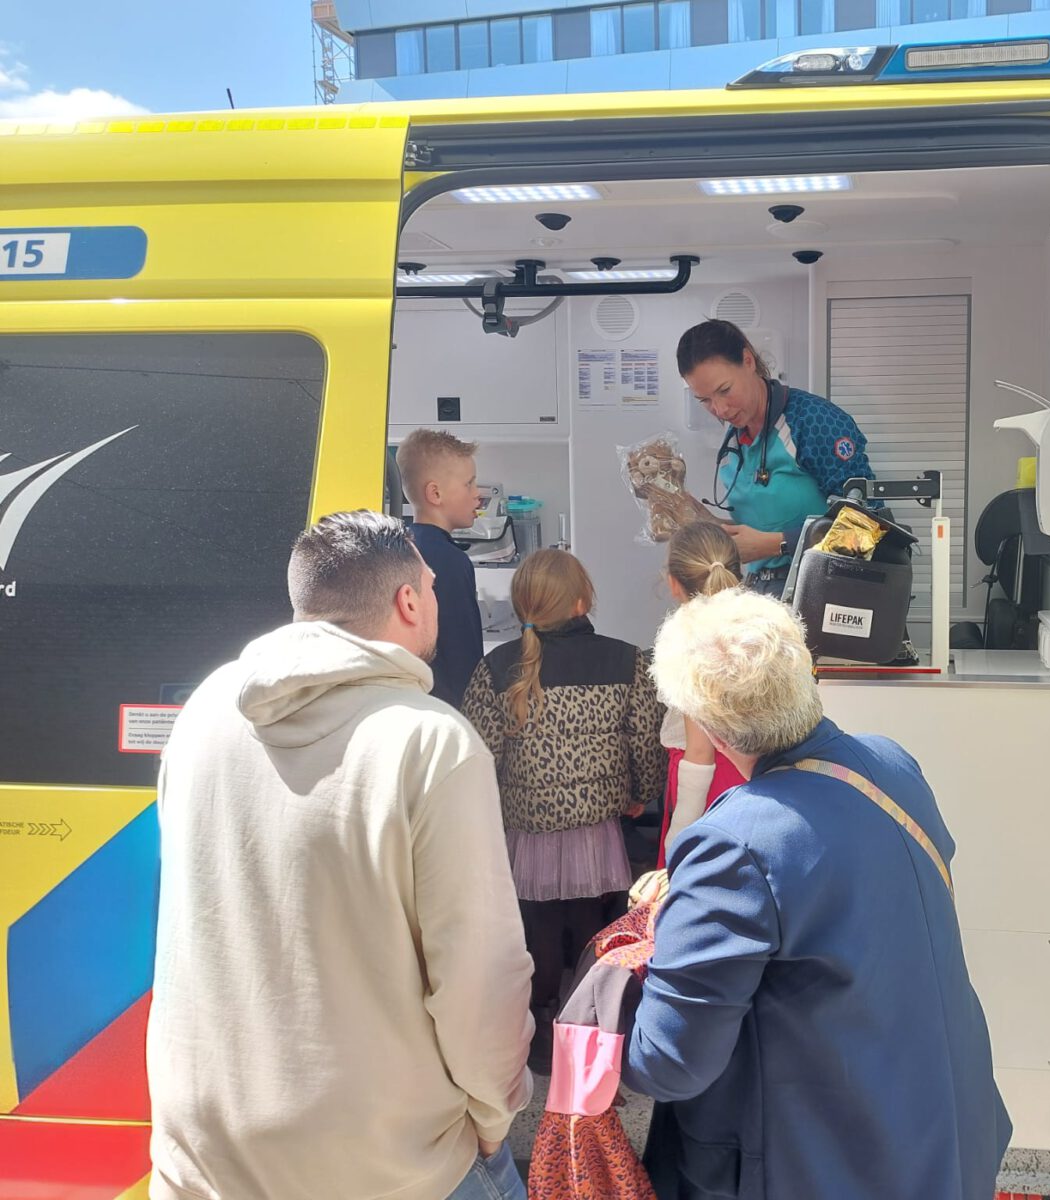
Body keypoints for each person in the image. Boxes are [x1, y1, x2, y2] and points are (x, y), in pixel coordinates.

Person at [148, 510, 534, 1200]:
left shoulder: (206, 711)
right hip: (389, 1162)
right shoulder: (430, 742)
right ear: (409, 600)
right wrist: (495, 1112)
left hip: (205, 1152)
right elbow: (481, 974)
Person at [626, 587, 1011, 1200]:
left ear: (704, 722)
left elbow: (669, 1064)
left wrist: (621, 972)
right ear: (805, 670)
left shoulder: (733, 843)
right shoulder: (892, 766)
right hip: (939, 1140)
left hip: (827, 1165)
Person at [462, 548, 667, 1074]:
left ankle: (536, 1039)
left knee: (535, 932)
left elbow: (477, 755)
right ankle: (590, 1031)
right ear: (581, 601)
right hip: (598, 830)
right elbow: (646, 741)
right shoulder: (628, 661)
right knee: (593, 928)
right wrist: (643, 793)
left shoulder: (495, 668)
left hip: (523, 830)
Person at [678, 318, 876, 595]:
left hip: (826, 590)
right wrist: (686, 511)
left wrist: (777, 544)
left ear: (748, 361)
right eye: (705, 400)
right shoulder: (735, 437)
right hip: (761, 590)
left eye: (724, 391)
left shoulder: (814, 422)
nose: (720, 410)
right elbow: (758, 531)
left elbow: (867, 531)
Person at [655, 522, 748, 870]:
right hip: (754, 779)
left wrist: (677, 837)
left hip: (708, 789)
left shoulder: (688, 640)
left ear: (673, 583)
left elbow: (699, 751)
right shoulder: (760, 625)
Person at [396, 428, 484, 709]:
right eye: (469, 484)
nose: (477, 495)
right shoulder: (450, 561)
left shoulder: (399, 549)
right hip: (448, 709)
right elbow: (465, 656)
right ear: (435, 493)